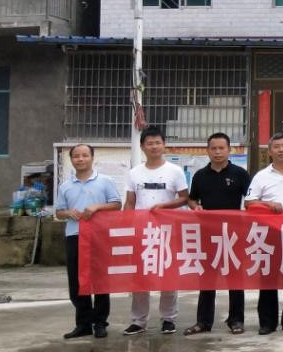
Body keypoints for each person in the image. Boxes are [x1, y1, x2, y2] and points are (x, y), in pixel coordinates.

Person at [122, 126, 190, 335]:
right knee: (141, 277)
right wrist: (126, 226)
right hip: (143, 232)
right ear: (142, 147)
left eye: (157, 142)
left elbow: (184, 197)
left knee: (168, 275)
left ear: (164, 145)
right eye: (149, 143)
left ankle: (168, 319)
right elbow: (130, 202)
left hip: (169, 231)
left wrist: (164, 207)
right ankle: (138, 321)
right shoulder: (134, 172)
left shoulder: (175, 171)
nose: (154, 146)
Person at [184, 132, 251, 335]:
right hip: (208, 234)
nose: (218, 152)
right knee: (207, 279)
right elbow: (192, 199)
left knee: (235, 279)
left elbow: (250, 200)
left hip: (234, 234)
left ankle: (236, 320)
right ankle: (204, 322)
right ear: (207, 151)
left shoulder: (240, 174)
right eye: (213, 148)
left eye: (222, 148)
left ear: (229, 150)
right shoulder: (200, 176)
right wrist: (196, 207)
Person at [58, 143, 121, 340]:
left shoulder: (104, 181)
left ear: (92, 158)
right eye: (76, 156)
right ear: (72, 160)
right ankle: (83, 323)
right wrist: (68, 212)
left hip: (99, 236)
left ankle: (100, 322)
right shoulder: (65, 186)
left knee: (101, 280)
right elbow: (59, 212)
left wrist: (97, 208)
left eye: (85, 155)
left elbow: (116, 204)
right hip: (74, 236)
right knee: (77, 281)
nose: (81, 159)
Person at [247, 133, 283, 334]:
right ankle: (267, 322)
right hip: (268, 234)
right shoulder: (261, 176)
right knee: (268, 278)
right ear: (269, 151)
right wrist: (267, 204)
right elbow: (248, 203)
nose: (281, 150)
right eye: (277, 147)